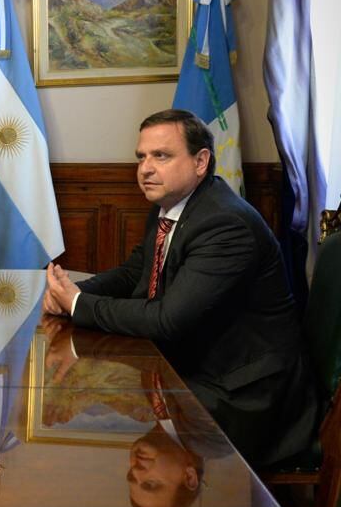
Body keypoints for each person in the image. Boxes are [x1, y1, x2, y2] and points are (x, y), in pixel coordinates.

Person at [43, 109, 319, 468]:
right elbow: (134, 273)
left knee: (99, 420)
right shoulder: (171, 205)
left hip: (243, 394)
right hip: (195, 364)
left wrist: (78, 303)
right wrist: (72, 293)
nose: (145, 168)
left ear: (201, 161)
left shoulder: (224, 224)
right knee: (94, 395)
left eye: (161, 155)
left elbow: (167, 320)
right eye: (141, 157)